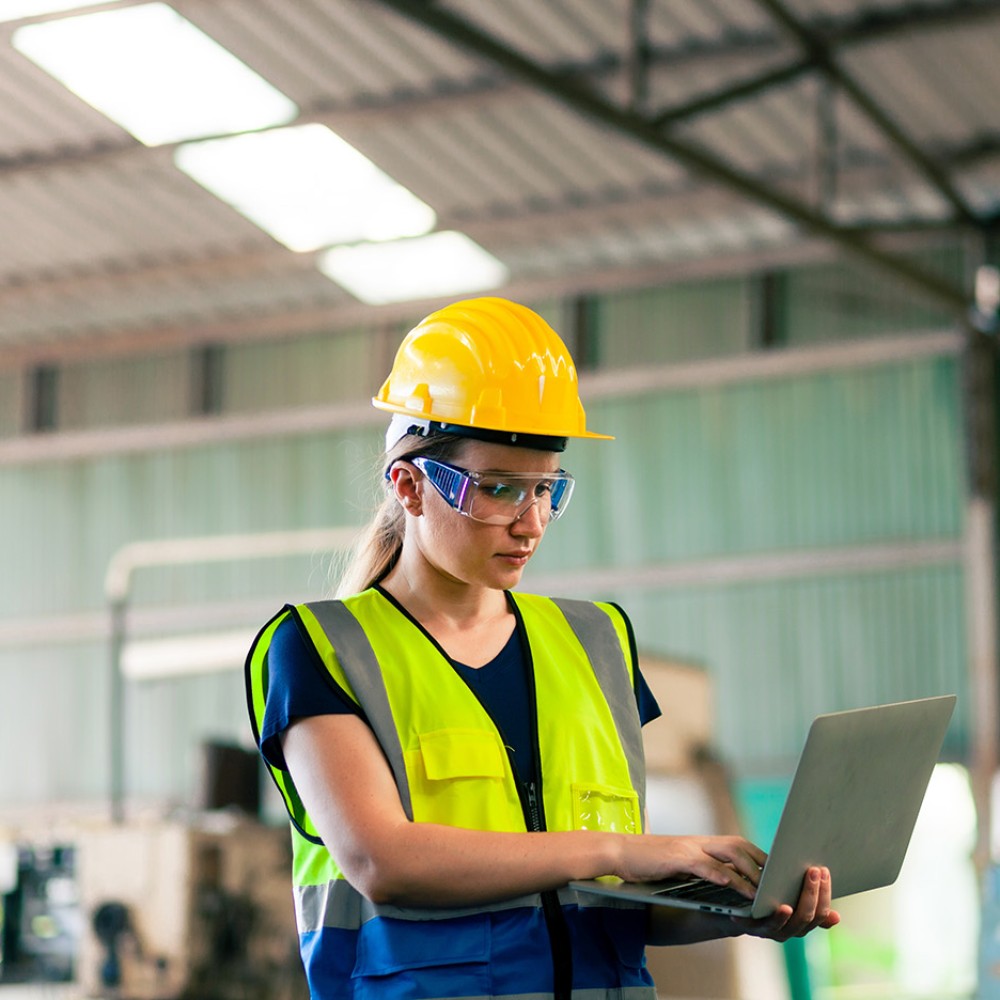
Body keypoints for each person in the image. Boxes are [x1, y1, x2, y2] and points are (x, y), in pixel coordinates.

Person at [245, 297, 839, 1000]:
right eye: (498, 490)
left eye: (548, 489)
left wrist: (740, 913)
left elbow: (611, 911)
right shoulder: (320, 649)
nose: (531, 523)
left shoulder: (597, 643)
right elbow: (382, 859)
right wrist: (622, 848)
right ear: (409, 485)